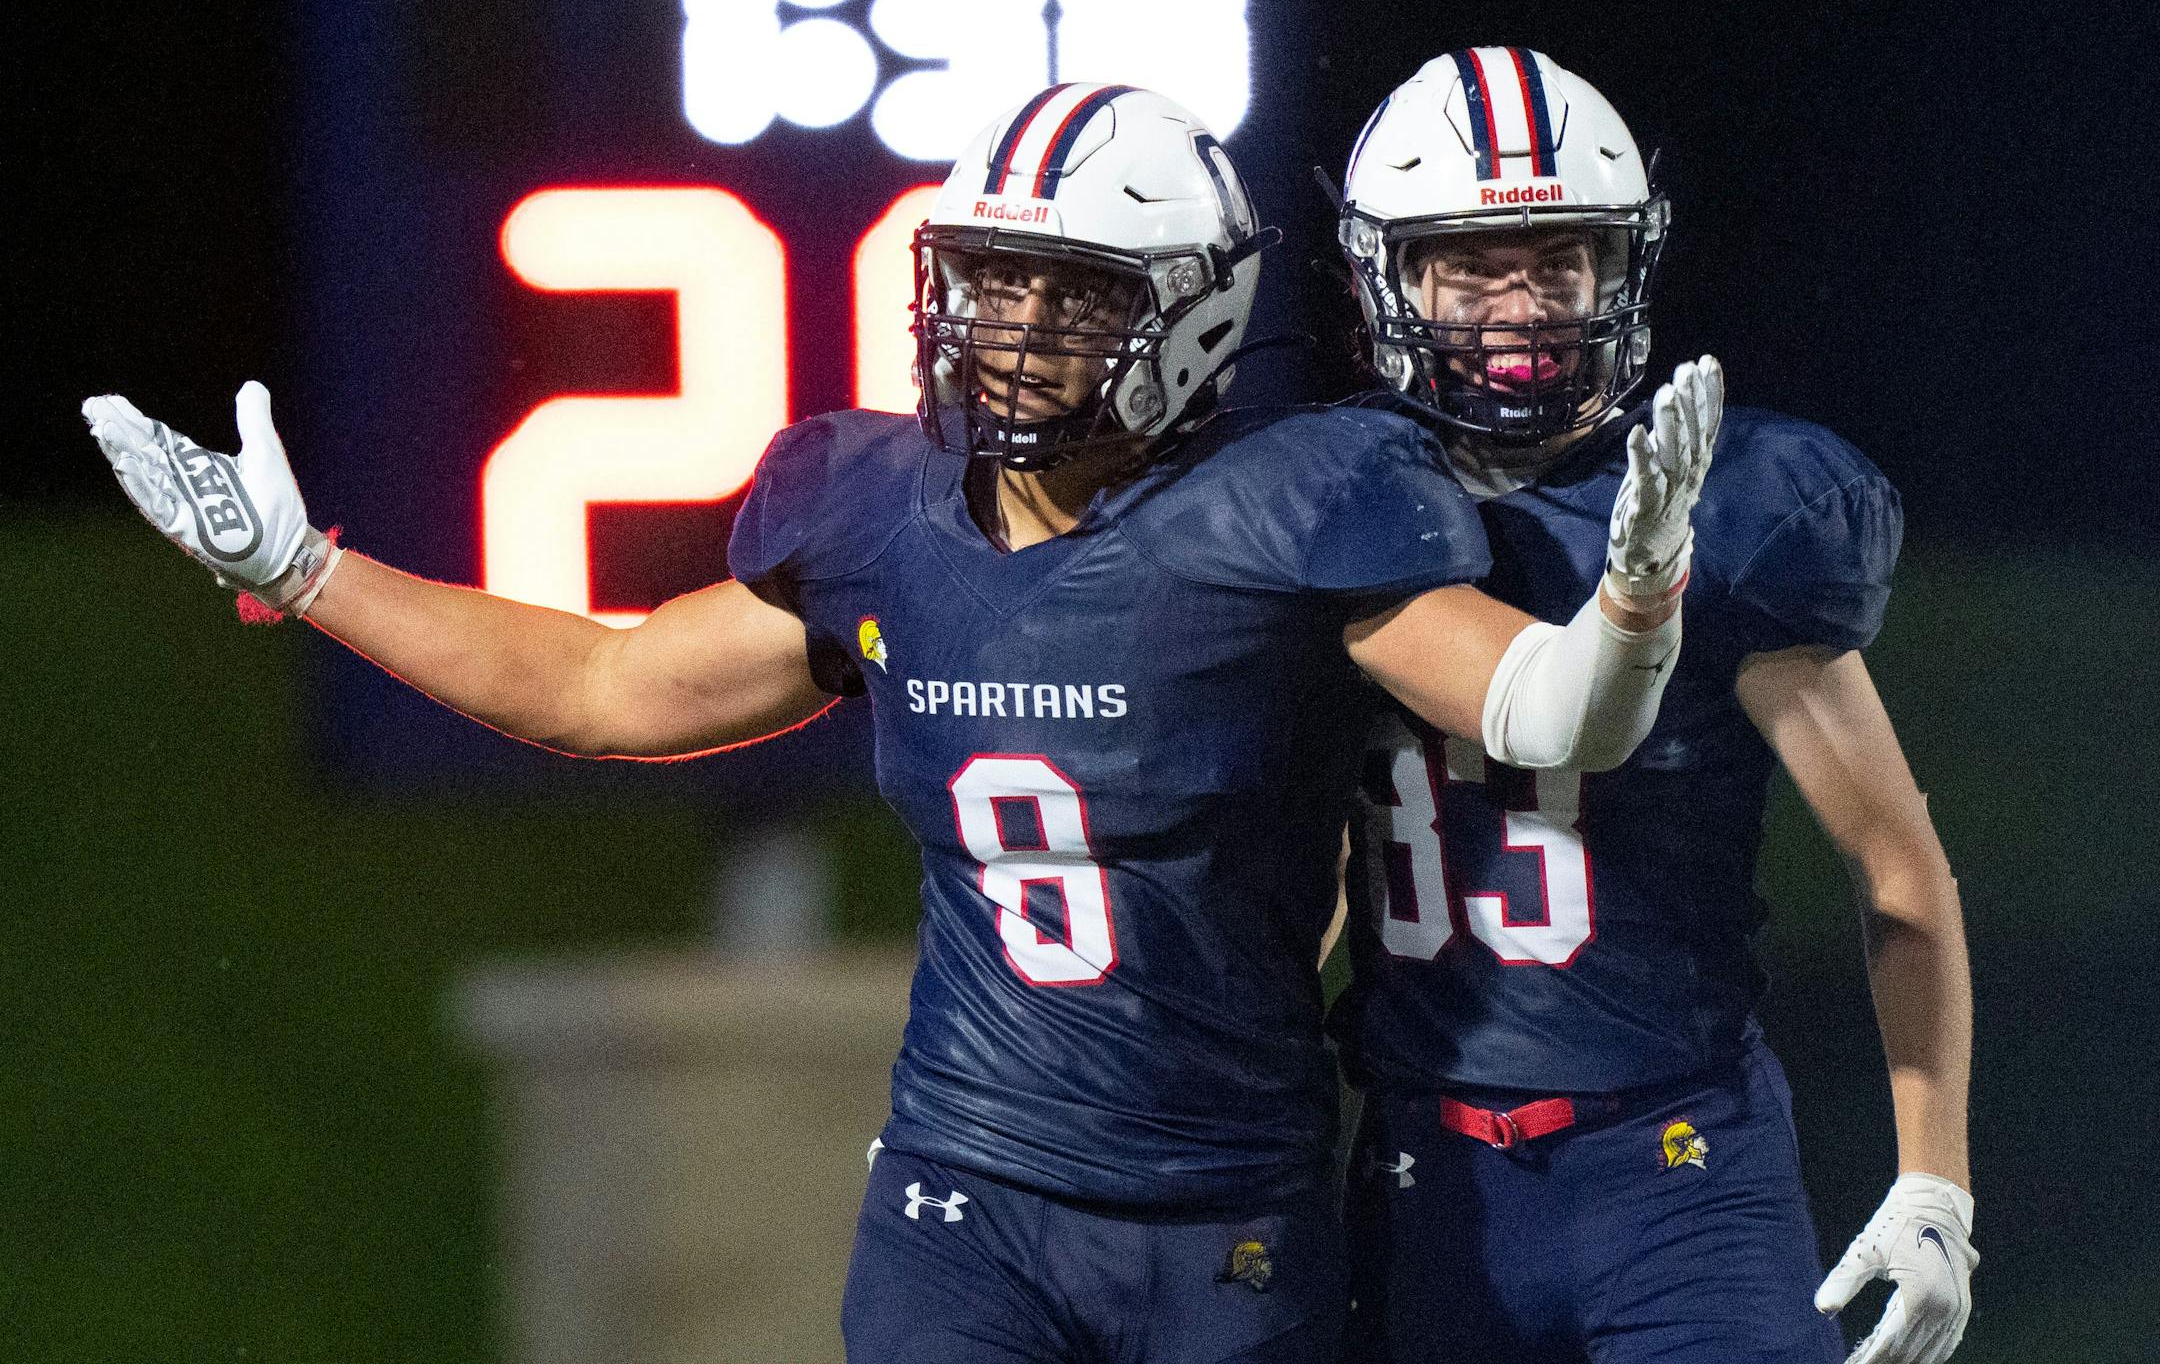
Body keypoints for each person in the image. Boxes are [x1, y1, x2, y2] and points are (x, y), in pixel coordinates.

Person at [84, 82, 1719, 1364]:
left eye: (1069, 296)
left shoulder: (1292, 511)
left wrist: (1633, 600)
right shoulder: (882, 519)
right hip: (969, 1199)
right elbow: (600, 689)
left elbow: (1552, 710)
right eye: (989, 281)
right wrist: (308, 572)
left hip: (1230, 1214)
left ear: (1196, 313)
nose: (1010, 331)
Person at [1327, 48, 1975, 1364]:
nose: (1522, 303)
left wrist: (1936, 1182)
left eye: (1560, 261)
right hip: (1424, 1170)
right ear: (1386, 277)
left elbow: (1895, 857)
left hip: (1678, 1171)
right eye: (1472, 264)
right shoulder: (1320, 506)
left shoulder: (1731, 505)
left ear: (1622, 270)